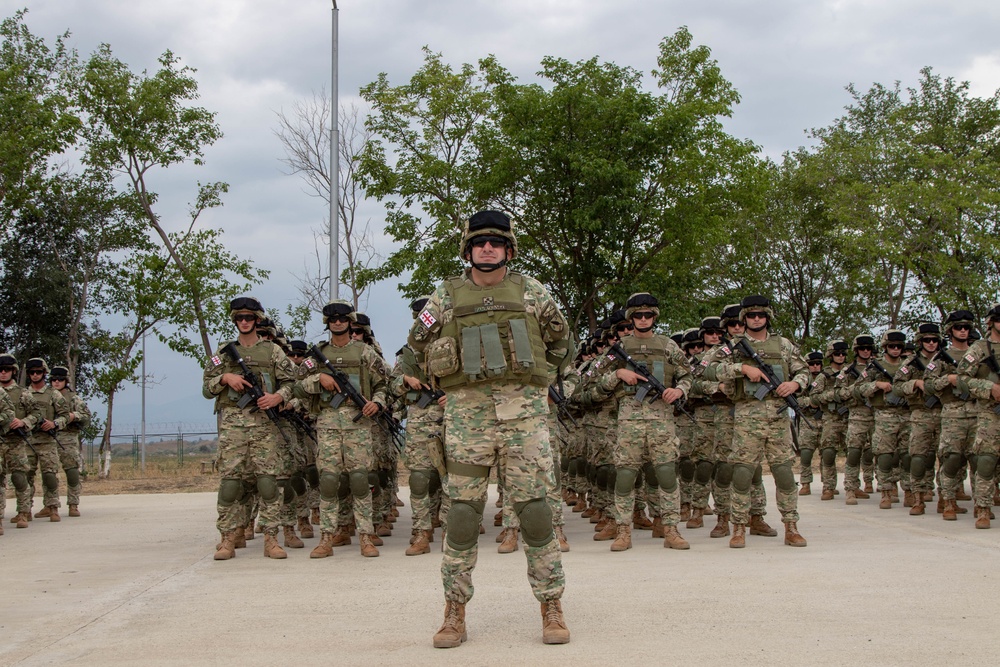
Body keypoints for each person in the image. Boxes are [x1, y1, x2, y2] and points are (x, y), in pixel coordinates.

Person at [408, 210, 571, 647]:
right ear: (468, 250)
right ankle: (454, 612)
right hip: (467, 420)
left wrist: (538, 381)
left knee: (536, 512)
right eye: (479, 243)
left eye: (495, 244)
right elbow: (415, 347)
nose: (487, 249)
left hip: (524, 417)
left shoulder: (531, 292)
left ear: (508, 251)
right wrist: (443, 375)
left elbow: (561, 343)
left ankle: (551, 606)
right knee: (461, 515)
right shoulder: (444, 297)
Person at [703, 295, 808, 548]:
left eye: (761, 315)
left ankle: (791, 526)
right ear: (744, 318)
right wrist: (742, 369)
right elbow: (708, 369)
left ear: (767, 317)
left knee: (783, 473)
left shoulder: (783, 345)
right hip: (747, 417)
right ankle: (738, 527)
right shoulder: (734, 347)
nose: (756, 319)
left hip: (778, 417)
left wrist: (794, 384)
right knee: (742, 473)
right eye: (751, 315)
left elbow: (804, 371)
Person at [295, 299, 392, 558]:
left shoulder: (364, 353)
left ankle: (365, 537)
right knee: (328, 483)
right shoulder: (317, 355)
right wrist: (319, 378)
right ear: (328, 323)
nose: (337, 322)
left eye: (342, 318)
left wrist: (377, 403)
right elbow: (295, 386)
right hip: (327, 424)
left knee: (361, 481)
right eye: (333, 319)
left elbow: (385, 384)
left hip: (358, 425)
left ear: (350, 322)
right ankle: (326, 537)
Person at [203, 296, 297, 560]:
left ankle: (271, 539)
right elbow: (206, 388)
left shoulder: (272, 351)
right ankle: (227, 539)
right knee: (231, 484)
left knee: (268, 484)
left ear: (257, 320)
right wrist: (224, 377)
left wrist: (278, 397)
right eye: (239, 318)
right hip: (233, 425)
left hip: (264, 426)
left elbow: (292, 383)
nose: (244, 322)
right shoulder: (224, 353)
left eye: (249, 318)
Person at [25, 358, 70, 521]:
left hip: (47, 441)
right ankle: (24, 510)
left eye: (38, 372)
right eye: (32, 372)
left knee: (49, 474)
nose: (35, 375)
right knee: (24, 476)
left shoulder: (54, 394)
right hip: (27, 441)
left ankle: (52, 507)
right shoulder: (24, 394)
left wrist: (54, 423)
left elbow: (65, 416)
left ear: (44, 373)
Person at [0, 354, 41, 528]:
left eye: (7, 369)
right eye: (0, 370)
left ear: (13, 371)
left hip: (16, 441)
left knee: (19, 477)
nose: (3, 373)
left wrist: (24, 422)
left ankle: (23, 512)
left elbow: (38, 414)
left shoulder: (23, 393)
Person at [50, 366, 90, 517]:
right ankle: (50, 504)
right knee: (49, 473)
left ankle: (73, 504)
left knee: (72, 471)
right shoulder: (47, 397)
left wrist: (74, 416)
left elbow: (86, 416)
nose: (56, 382)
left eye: (60, 379)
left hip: (67, 437)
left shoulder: (73, 398)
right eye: (54, 379)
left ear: (66, 380)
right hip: (48, 437)